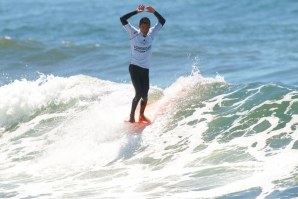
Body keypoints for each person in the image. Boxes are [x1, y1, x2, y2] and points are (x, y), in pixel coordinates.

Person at [120, 5, 166, 123]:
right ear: (140, 26)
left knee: (145, 95)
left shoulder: (152, 33)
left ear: (149, 27)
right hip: (134, 68)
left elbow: (162, 21)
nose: (144, 29)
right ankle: (131, 116)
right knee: (139, 93)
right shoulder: (133, 33)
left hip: (145, 69)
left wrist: (154, 12)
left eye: (146, 27)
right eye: (142, 26)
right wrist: (136, 12)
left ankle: (141, 115)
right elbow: (122, 19)